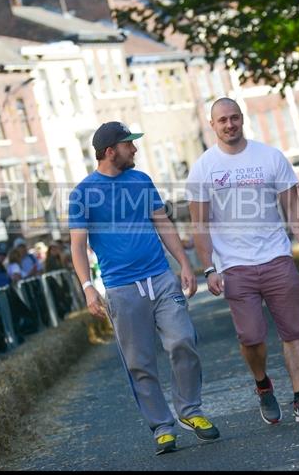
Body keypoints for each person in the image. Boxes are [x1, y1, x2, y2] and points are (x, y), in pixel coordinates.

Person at [69, 121, 219, 455]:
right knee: (140, 363)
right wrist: (88, 288)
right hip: (121, 288)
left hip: (161, 277)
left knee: (183, 340)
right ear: (111, 151)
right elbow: (77, 246)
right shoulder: (82, 194)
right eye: (128, 145)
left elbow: (162, 223)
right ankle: (162, 426)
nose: (134, 149)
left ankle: (190, 410)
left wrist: (183, 263)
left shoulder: (142, 181)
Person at [186, 97, 299, 426]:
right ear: (213, 125)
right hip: (234, 266)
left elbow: (293, 207)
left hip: (276, 256)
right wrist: (209, 269)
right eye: (223, 120)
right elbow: (200, 226)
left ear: (242, 119)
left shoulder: (269, 157)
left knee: (293, 331)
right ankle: (263, 384)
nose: (229, 124)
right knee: (251, 338)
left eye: (234, 118)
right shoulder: (204, 168)